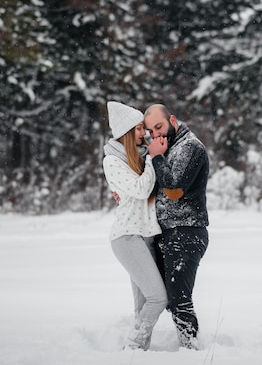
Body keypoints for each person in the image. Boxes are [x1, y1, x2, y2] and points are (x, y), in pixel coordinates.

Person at [102, 101, 167, 351]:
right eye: (140, 128)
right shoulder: (112, 161)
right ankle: (132, 346)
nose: (145, 133)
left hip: (146, 237)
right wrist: (153, 156)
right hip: (127, 237)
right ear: (128, 131)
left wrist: (151, 157)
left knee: (143, 305)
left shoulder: (138, 158)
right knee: (158, 298)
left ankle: (137, 355)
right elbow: (141, 189)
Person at [144, 103, 210, 349]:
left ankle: (191, 351)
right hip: (167, 233)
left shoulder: (190, 147)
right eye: (150, 131)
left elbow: (173, 191)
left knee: (180, 300)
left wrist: (156, 157)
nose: (155, 135)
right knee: (166, 299)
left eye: (159, 127)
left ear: (172, 120)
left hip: (186, 231)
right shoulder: (168, 148)